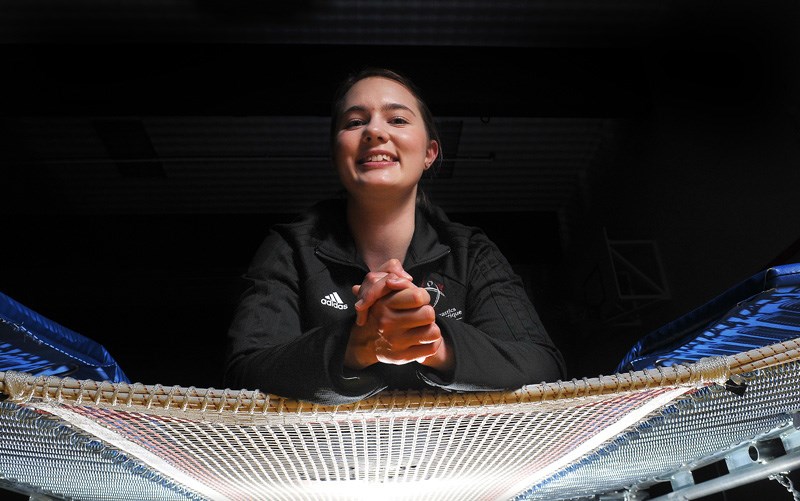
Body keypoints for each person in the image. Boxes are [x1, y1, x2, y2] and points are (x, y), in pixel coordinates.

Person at [223, 67, 566, 405]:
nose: (374, 130)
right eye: (355, 122)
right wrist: (357, 343)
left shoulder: (471, 252)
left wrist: (431, 342)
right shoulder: (289, 248)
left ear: (430, 153)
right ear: (335, 155)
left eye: (397, 120)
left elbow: (542, 365)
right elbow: (245, 370)